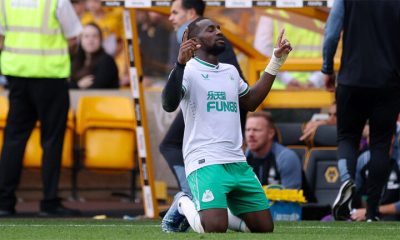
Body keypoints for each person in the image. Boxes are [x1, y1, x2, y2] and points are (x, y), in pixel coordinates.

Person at [161, 17, 292, 233]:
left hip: (237, 161)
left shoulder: (230, 71)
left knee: (264, 229)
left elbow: (251, 102)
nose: (219, 32)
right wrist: (180, 65)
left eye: (219, 28)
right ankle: (183, 202)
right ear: (195, 41)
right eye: (210, 29)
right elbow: (168, 104)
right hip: (205, 160)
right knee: (213, 228)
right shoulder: (188, 70)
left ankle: (215, 212)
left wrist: (276, 61)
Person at [0, 0, 82, 217]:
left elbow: (0, 38)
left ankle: (4, 202)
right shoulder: (56, 1)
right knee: (52, 140)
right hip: (50, 76)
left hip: (17, 74)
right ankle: (49, 202)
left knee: (14, 139)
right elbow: (73, 38)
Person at [322, 0, 400, 221]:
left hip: (351, 80)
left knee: (347, 137)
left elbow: (331, 34)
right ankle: (373, 210)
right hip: (389, 82)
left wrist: (327, 68)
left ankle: (347, 180)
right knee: (381, 143)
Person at [159, 0, 247, 196]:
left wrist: (240, 130)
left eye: (175, 12)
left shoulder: (210, 41)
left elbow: (238, 87)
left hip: (211, 106)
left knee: (169, 144)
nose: (170, 17)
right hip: (199, 103)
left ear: (191, 12)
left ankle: (189, 195)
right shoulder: (186, 38)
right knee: (169, 144)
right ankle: (191, 195)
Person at [245, 112, 302, 189]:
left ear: (271, 133)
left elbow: (290, 198)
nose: (250, 134)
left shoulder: (286, 158)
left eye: (256, 130)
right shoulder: (243, 156)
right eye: (247, 130)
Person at [70, 23, 119, 89]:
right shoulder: (76, 60)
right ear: (80, 40)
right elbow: (66, 86)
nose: (91, 40)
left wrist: (76, 86)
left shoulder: (106, 61)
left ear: (101, 40)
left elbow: (97, 87)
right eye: (86, 36)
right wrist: (78, 85)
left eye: (95, 36)